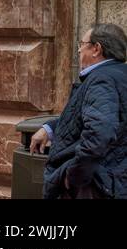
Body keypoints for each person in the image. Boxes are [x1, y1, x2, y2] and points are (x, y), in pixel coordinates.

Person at [29, 23, 127, 198]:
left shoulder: (101, 80)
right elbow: (106, 117)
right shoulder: (118, 76)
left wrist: (74, 176)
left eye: (82, 44)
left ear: (96, 49)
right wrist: (50, 128)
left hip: (94, 185)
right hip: (114, 181)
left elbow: (100, 132)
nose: (79, 50)